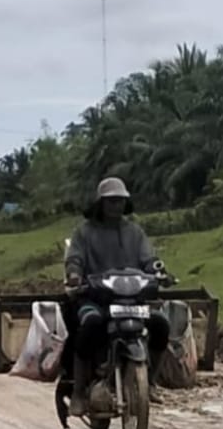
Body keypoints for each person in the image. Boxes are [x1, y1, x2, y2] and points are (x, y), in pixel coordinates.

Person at [62, 177, 164, 415]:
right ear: (101, 204)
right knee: (90, 324)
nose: (116, 206)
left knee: (161, 324)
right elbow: (74, 258)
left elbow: (148, 259)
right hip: (95, 299)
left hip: (131, 299)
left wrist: (157, 270)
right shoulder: (84, 232)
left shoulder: (134, 232)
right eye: (111, 202)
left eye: (120, 201)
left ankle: (150, 382)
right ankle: (78, 391)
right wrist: (75, 274)